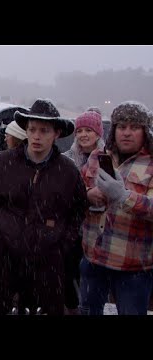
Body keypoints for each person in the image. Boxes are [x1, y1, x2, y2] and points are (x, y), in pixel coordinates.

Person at [0, 98, 88, 315]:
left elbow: (78, 210)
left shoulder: (68, 171)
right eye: (32, 129)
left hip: (47, 263)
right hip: (3, 257)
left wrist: (61, 240)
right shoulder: (3, 162)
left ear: (57, 134)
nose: (36, 136)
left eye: (44, 130)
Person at [80, 101, 153, 315]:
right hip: (93, 259)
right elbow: (77, 188)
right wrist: (88, 195)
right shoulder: (97, 156)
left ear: (145, 131)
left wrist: (123, 196)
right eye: (121, 127)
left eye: (134, 127)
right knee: (87, 311)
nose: (126, 133)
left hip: (133, 267)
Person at [62, 110, 105, 314]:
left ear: (98, 133)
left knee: (94, 279)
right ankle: (74, 308)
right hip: (71, 228)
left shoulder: (108, 158)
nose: (83, 135)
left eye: (88, 130)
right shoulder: (67, 159)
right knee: (68, 274)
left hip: (100, 230)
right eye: (79, 130)